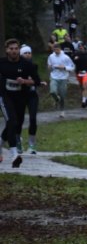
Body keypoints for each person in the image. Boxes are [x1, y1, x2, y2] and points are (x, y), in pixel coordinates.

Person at [0, 39, 44, 167]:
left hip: (20, 98)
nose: (14, 51)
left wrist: (24, 81)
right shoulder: (2, 63)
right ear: (6, 50)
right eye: (11, 49)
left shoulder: (26, 64)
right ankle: (14, 155)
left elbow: (37, 81)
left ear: (19, 50)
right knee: (11, 121)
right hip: (5, 97)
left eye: (16, 48)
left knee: (16, 123)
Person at [18, 45, 46, 154]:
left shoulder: (34, 66)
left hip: (32, 95)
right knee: (19, 120)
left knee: (33, 119)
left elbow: (36, 79)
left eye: (29, 53)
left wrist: (39, 82)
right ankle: (18, 141)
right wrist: (27, 81)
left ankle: (32, 144)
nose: (27, 55)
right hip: (20, 95)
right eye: (25, 53)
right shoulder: (17, 66)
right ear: (21, 55)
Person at [47, 40, 75, 119]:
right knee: (52, 91)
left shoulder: (65, 57)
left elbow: (72, 67)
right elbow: (49, 65)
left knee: (62, 96)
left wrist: (64, 67)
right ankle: (56, 99)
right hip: (54, 76)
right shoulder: (51, 56)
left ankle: (62, 111)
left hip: (63, 78)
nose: (56, 51)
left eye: (57, 49)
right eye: (54, 49)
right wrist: (49, 67)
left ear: (60, 49)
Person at [72, 42, 87, 107]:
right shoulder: (76, 54)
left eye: (81, 46)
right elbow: (72, 62)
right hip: (78, 72)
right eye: (79, 46)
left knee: (84, 86)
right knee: (81, 86)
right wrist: (75, 59)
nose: (81, 47)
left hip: (86, 72)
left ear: (84, 47)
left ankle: (83, 102)